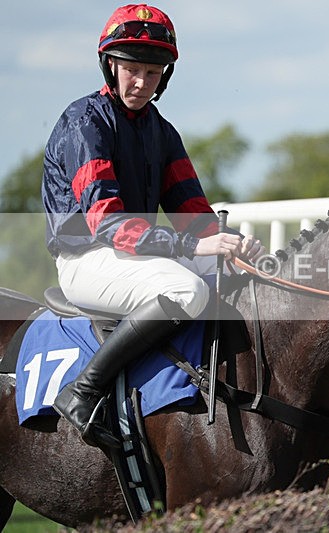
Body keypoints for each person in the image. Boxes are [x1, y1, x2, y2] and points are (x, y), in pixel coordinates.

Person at [41, 4, 263, 449]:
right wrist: (188, 246)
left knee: (237, 279)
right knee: (187, 291)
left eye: (153, 72)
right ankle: (83, 392)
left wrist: (228, 246)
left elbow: (193, 212)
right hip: (88, 258)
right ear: (111, 66)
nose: (141, 83)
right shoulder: (85, 123)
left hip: (134, 255)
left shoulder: (162, 132)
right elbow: (105, 222)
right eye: (132, 70)